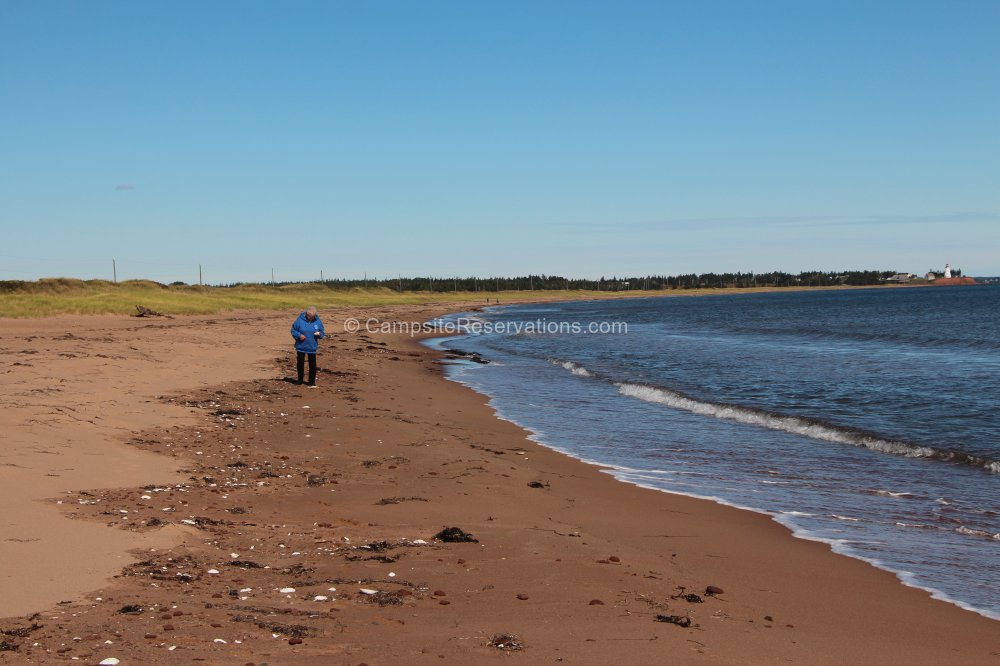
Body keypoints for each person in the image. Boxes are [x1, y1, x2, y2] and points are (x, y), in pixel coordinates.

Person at [290, 306, 325, 386]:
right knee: (300, 364)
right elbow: (293, 330)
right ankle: (300, 380)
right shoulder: (299, 320)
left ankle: (311, 381)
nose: (311, 318)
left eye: (313, 316)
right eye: (310, 316)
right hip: (301, 346)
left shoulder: (317, 321)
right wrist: (299, 335)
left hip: (312, 346)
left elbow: (322, 332)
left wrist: (320, 334)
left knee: (312, 365)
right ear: (306, 314)